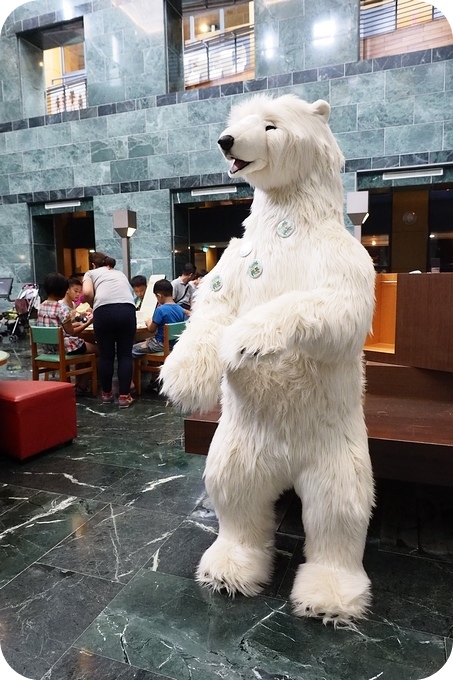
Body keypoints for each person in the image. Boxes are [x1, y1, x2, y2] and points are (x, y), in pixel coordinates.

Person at [82, 251, 136, 409]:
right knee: (125, 354)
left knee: (106, 355)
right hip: (127, 310)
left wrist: (94, 305)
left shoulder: (90, 273)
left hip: (104, 312)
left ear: (93, 264)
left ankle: (106, 395)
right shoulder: (120, 274)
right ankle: (124, 397)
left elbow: (86, 293)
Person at [37, 272, 96, 395]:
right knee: (100, 350)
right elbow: (72, 332)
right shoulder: (61, 308)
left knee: (85, 348)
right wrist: (89, 322)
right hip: (65, 348)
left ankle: (80, 383)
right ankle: (82, 385)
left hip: (48, 348)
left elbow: (57, 327)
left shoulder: (41, 306)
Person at [132, 278, 186, 357]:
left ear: (159, 296)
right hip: (175, 345)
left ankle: (137, 369)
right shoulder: (180, 309)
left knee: (132, 349)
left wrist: (148, 322)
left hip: (160, 344)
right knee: (143, 343)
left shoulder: (160, 310)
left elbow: (151, 329)